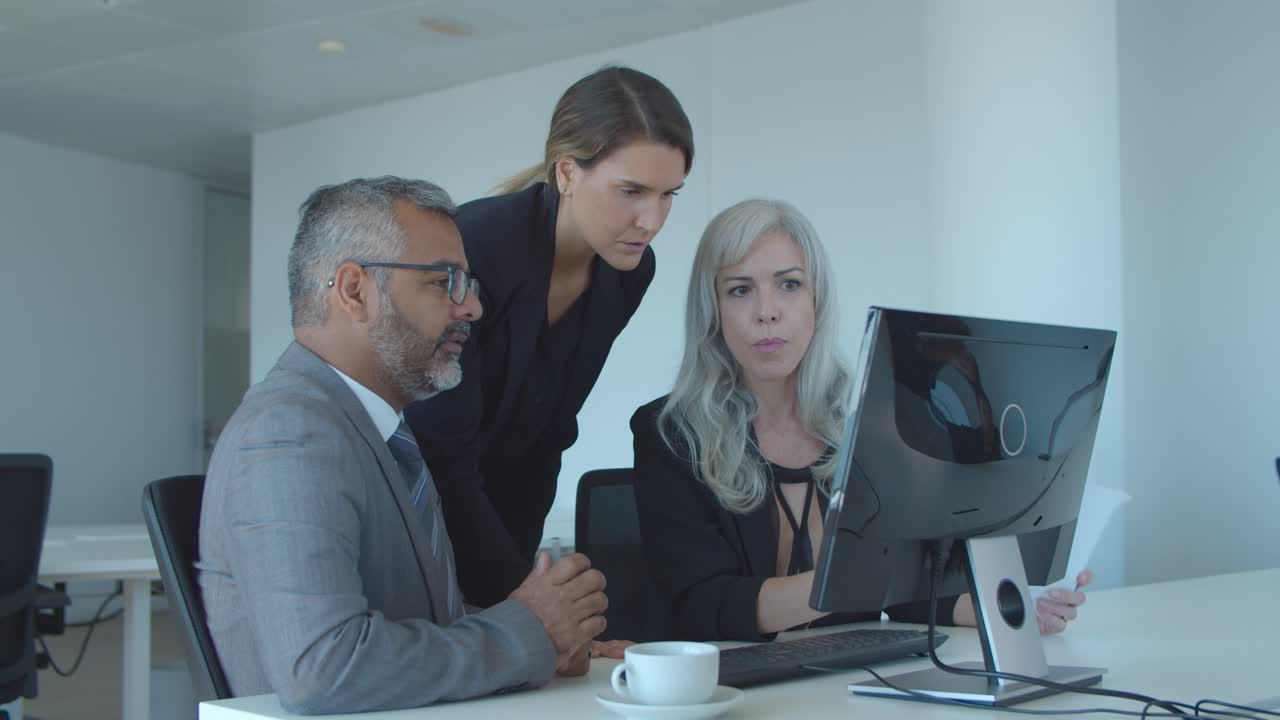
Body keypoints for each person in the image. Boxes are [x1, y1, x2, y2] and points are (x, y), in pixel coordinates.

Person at [198, 177, 608, 714]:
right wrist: (527, 633)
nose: (472, 310)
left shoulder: (380, 431)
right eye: (444, 283)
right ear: (353, 291)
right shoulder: (288, 433)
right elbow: (326, 668)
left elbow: (418, 618)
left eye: (470, 285)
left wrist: (547, 639)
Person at [631, 198, 1092, 641]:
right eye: (740, 290)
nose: (766, 311)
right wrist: (855, 579)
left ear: (818, 299)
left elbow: (912, 592)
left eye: (789, 284)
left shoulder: (867, 422)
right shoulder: (670, 434)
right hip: (734, 692)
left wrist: (1008, 608)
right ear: (713, 310)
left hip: (851, 682)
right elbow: (701, 604)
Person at [405, 66, 693, 609]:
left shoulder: (629, 270)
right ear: (566, 172)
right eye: (631, 191)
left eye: (668, 194)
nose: (651, 220)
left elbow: (547, 436)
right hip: (407, 520)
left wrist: (524, 589)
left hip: (490, 521)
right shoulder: (477, 244)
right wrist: (515, 599)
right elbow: (441, 450)